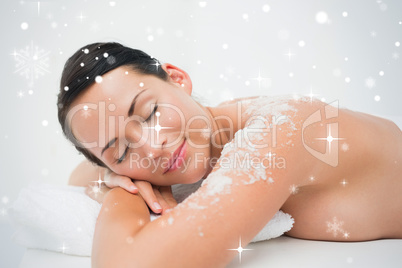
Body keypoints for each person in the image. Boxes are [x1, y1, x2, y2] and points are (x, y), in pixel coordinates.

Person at [58, 42, 402, 267]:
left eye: (150, 114)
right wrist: (114, 180)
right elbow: (78, 176)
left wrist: (120, 191)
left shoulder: (276, 132)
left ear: (177, 79)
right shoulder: (219, 128)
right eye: (120, 151)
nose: (151, 147)